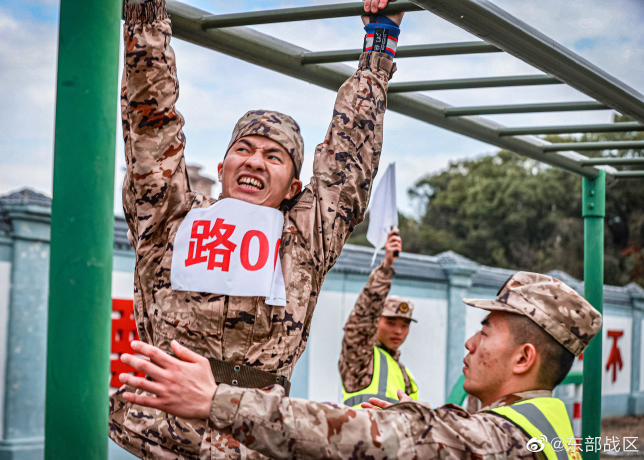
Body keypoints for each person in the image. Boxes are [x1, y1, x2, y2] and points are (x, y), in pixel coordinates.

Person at [111, 0, 405, 457]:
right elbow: (152, 125)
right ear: (223, 164)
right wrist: (145, 15)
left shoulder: (305, 239)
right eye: (244, 149)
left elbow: (347, 162)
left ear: (294, 187)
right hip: (156, 439)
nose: (254, 161)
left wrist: (379, 45)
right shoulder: (171, 220)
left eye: (274, 156)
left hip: (251, 442)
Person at [120, 272, 602, 459]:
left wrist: (214, 400)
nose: (471, 343)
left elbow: (359, 436)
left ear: (524, 357)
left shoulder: (495, 440)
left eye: (488, 331)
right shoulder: (551, 428)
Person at [340, 229, 419, 407]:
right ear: (376, 322)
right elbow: (362, 319)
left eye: (404, 325)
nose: (398, 331)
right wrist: (386, 267)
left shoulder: (405, 374)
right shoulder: (361, 357)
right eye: (390, 323)